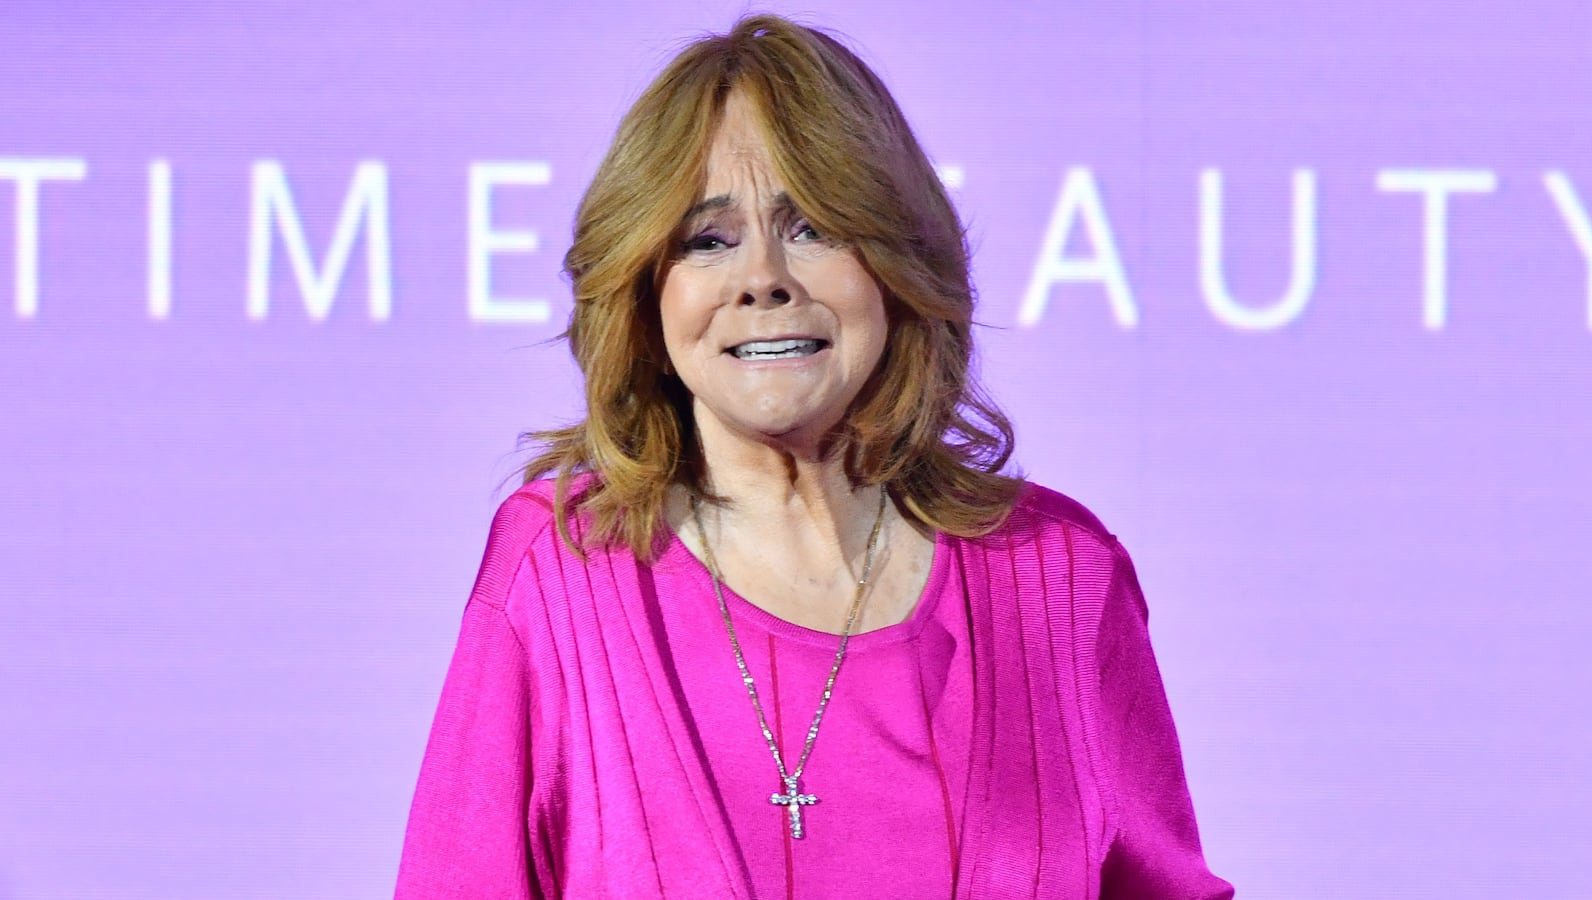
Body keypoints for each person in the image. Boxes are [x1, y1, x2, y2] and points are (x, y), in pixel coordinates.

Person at [396, 14, 1231, 899]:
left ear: (894, 264)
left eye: (813, 227)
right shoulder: (561, 569)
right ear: (648, 291)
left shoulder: (1061, 575)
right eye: (707, 240)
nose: (763, 277)